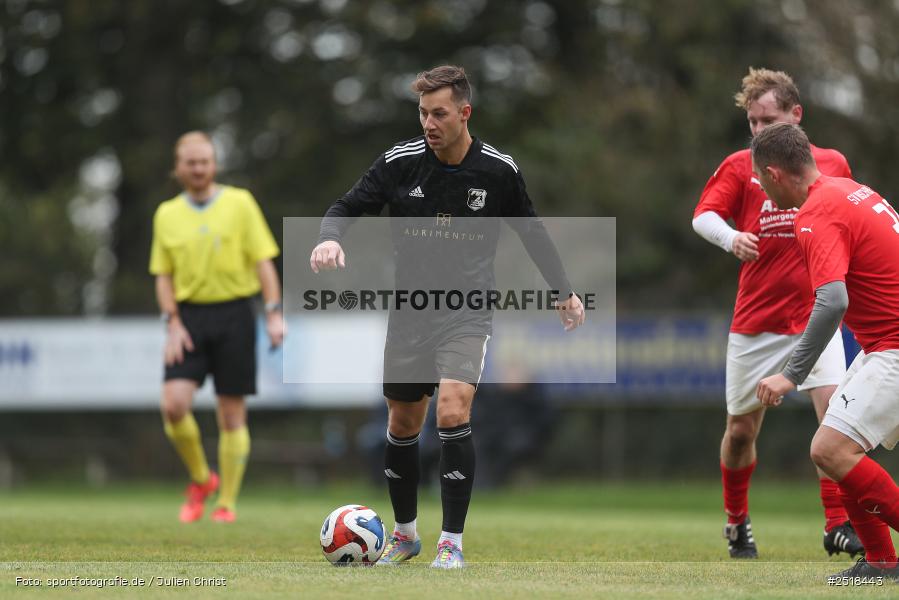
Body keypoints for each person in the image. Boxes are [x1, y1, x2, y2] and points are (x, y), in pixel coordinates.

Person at [309, 65, 585, 568]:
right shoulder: (400, 163)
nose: (428, 124)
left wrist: (564, 292)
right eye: (422, 113)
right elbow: (346, 205)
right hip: (410, 313)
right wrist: (329, 237)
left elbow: (533, 232)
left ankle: (451, 542)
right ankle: (406, 534)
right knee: (402, 423)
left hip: (468, 309)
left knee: (453, 410)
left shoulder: (498, 171)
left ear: (464, 113)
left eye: (439, 114)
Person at [692, 68, 862, 559]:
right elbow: (703, 214)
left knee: (834, 419)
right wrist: (731, 237)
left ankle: (836, 524)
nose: (760, 131)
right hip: (756, 321)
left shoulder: (831, 164)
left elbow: (846, 221)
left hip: (816, 315)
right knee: (741, 432)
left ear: (796, 115)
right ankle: (736, 521)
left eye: (769, 119)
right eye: (752, 122)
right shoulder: (739, 165)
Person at [754, 122, 899, 580]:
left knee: (830, 449)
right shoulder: (848, 188)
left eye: (759, 179)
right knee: (837, 446)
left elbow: (832, 300)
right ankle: (881, 562)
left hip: (893, 346)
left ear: (775, 174)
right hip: (883, 344)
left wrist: (790, 374)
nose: (759, 187)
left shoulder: (816, 213)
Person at [149, 131, 285, 523]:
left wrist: (273, 313)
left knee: (231, 415)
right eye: (190, 162)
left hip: (236, 314)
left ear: (214, 164)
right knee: (173, 405)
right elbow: (163, 275)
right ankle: (201, 479)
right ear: (178, 168)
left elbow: (263, 262)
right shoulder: (166, 214)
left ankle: (226, 503)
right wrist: (171, 322)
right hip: (188, 318)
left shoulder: (240, 203)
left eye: (205, 161)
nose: (198, 169)